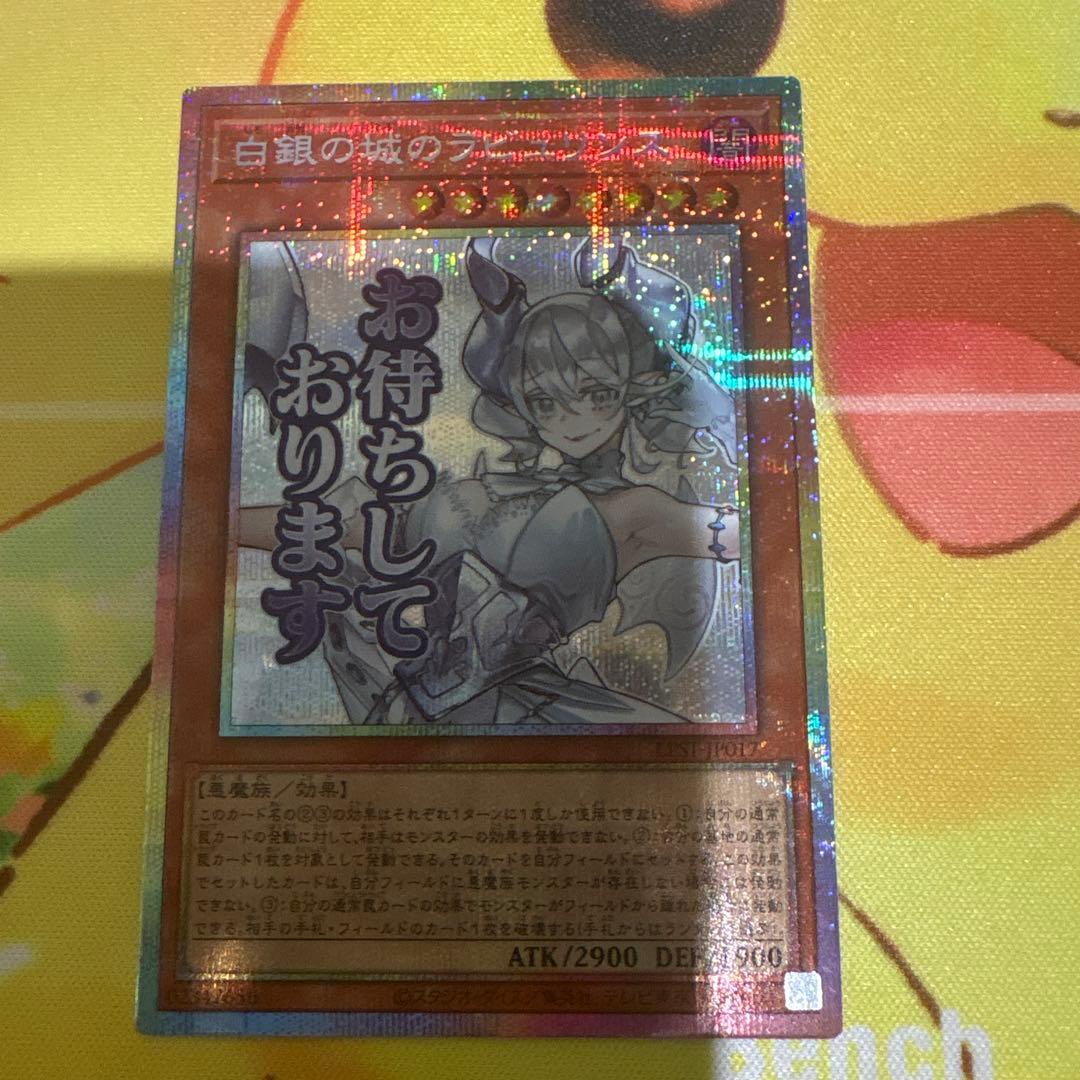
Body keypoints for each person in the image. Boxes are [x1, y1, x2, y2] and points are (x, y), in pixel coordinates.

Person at [239, 236, 741, 725]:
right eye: (543, 401)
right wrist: (215, 524)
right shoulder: (468, 495)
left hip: (530, 714)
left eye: (597, 393)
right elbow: (338, 529)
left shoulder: (636, 513)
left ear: (632, 389)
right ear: (519, 401)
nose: (572, 417)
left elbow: (755, 538)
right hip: (413, 711)